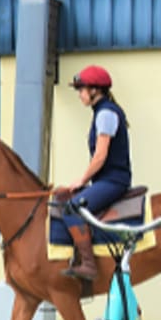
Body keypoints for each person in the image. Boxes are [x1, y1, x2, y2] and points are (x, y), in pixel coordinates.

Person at [56, 65, 131, 280]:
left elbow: (100, 156)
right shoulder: (102, 112)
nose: (79, 94)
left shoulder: (106, 114)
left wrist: (81, 179)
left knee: (71, 209)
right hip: (106, 179)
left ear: (95, 90)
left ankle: (89, 265)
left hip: (114, 180)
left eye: (81, 89)